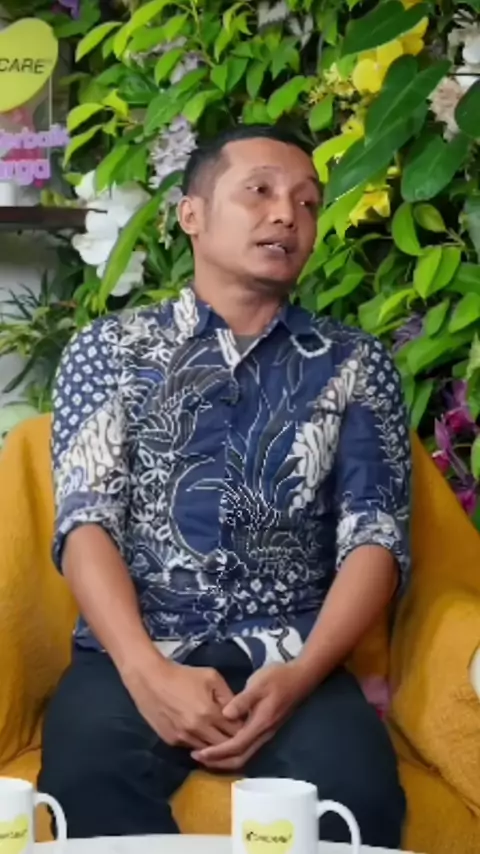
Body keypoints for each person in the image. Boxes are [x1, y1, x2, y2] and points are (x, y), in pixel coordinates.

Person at [39, 124, 410, 848]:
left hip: (294, 661)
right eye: (260, 191)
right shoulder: (109, 350)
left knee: (360, 801)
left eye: (307, 203)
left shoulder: (355, 363)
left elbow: (377, 538)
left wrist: (301, 676)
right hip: (134, 653)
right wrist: (145, 672)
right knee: (85, 788)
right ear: (192, 214)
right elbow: (86, 522)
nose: (286, 215)